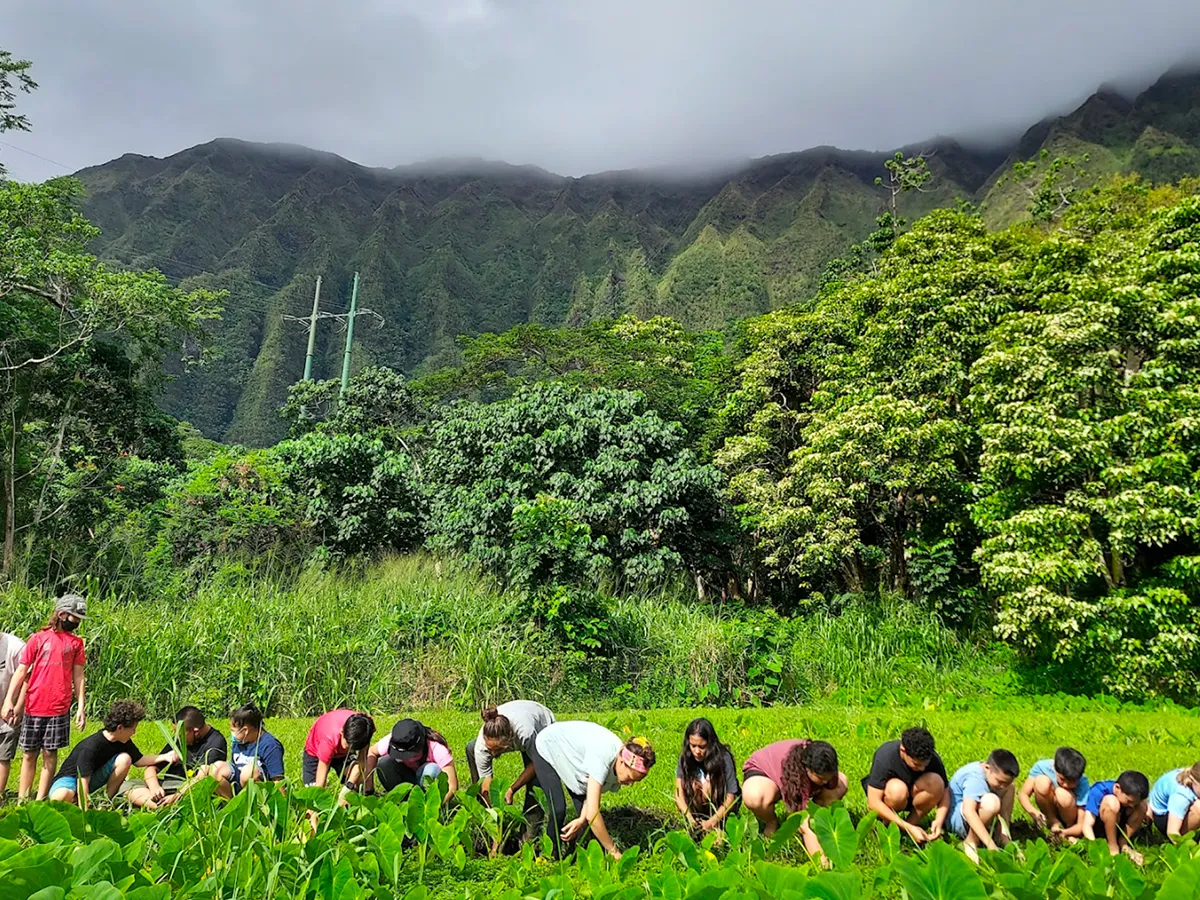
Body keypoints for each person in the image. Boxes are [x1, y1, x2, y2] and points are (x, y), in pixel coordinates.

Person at [1, 594, 88, 801]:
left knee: (50, 754)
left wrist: (81, 707)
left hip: (59, 707)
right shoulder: (38, 639)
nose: (76, 622)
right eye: (74, 618)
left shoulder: (76, 644)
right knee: (29, 754)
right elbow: (21, 672)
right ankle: (23, 798)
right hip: (34, 705)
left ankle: (40, 798)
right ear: (61, 614)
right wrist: (9, 701)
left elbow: (79, 675)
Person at [530, 721, 655, 860]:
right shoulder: (603, 756)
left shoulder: (618, 768)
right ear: (621, 762)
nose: (630, 783)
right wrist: (613, 851)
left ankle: (572, 860)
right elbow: (593, 813)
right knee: (558, 809)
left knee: (584, 826)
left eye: (635, 781)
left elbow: (590, 803)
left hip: (575, 763)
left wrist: (582, 819)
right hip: (549, 745)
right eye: (630, 778)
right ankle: (550, 858)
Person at [47, 700, 176, 810]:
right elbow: (82, 782)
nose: (134, 732)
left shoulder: (123, 741)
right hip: (71, 779)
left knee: (125, 759)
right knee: (62, 796)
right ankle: (77, 804)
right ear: (120, 728)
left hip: (93, 778)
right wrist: (85, 813)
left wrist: (165, 756)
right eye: (132, 729)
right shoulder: (91, 747)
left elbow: (139, 760)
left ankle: (106, 801)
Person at [742, 738, 846, 861]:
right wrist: (822, 862)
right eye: (821, 778)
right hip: (765, 775)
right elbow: (803, 823)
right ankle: (771, 821)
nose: (826, 782)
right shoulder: (796, 777)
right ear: (808, 769)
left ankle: (819, 818)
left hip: (796, 777)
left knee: (842, 783)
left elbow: (831, 781)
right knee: (755, 797)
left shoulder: (821, 759)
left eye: (828, 778)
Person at [125, 705, 227, 809]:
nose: (177, 736)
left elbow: (202, 777)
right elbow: (151, 768)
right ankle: (161, 806)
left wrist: (177, 796)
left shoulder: (216, 742)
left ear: (196, 732)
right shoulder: (178, 739)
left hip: (189, 788)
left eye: (181, 734)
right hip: (167, 785)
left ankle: (163, 807)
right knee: (127, 786)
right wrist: (154, 787)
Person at [466, 701, 554, 820]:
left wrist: (512, 789)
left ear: (509, 739)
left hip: (541, 724)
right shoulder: (481, 746)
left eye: (497, 749)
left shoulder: (525, 733)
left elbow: (536, 763)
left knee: (536, 780)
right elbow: (486, 784)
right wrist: (495, 814)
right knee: (470, 748)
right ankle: (482, 816)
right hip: (518, 717)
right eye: (489, 749)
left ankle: (530, 831)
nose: (492, 753)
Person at [863, 727, 949, 844]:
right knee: (897, 790)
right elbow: (873, 802)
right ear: (903, 750)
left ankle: (911, 825)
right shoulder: (885, 757)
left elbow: (945, 792)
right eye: (916, 764)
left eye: (925, 764)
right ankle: (887, 825)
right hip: (893, 796)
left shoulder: (932, 758)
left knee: (936, 782)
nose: (922, 768)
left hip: (916, 794)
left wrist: (939, 820)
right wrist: (907, 827)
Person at [948, 749, 1019, 864]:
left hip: (976, 814)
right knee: (992, 803)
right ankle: (971, 841)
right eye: (999, 781)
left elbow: (1005, 786)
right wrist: (990, 844)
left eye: (1006, 782)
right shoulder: (975, 778)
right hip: (958, 820)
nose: (1002, 786)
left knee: (1010, 788)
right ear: (987, 768)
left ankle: (1002, 835)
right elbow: (968, 811)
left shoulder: (995, 778)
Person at [366, 718, 459, 804]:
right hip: (406, 780)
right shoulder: (397, 741)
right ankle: (402, 800)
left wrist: (435, 807)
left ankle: (425, 799)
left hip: (426, 785)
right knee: (384, 763)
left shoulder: (436, 748)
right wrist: (369, 789)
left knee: (431, 770)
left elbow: (452, 786)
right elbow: (372, 752)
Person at [675, 718, 741, 834]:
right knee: (694, 784)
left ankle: (719, 825)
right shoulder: (685, 758)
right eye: (693, 746)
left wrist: (713, 821)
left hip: (720, 807)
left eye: (702, 747)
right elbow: (678, 793)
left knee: (709, 787)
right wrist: (689, 818)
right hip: (695, 808)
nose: (696, 751)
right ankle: (698, 819)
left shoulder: (724, 758)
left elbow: (731, 796)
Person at [210, 703, 285, 797]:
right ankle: (231, 804)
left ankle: (254, 806)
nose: (232, 734)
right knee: (216, 768)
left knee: (249, 772)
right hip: (239, 783)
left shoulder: (270, 746)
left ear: (245, 731)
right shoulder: (240, 741)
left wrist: (284, 804)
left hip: (261, 790)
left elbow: (277, 779)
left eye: (233, 730)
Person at [302, 708, 375, 800]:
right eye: (347, 745)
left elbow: (361, 761)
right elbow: (320, 781)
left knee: (358, 782)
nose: (349, 749)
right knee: (312, 795)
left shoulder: (366, 728)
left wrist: (349, 787)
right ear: (341, 731)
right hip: (315, 752)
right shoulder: (328, 739)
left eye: (353, 748)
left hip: (342, 755)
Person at [1017, 747, 1089, 839]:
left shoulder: (1083, 782)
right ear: (1054, 767)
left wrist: (1065, 832)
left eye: (1072, 781)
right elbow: (1023, 794)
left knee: (1062, 793)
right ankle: (1052, 821)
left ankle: (1068, 828)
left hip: (1070, 814)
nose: (1066, 785)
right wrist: (1033, 812)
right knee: (1041, 781)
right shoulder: (1041, 767)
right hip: (1051, 807)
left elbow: (1081, 824)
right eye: (1062, 779)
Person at [1082, 770, 1149, 864]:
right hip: (1101, 826)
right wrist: (1094, 846)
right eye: (1129, 801)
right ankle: (1112, 845)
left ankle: (1123, 842)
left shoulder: (1130, 800)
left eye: (1134, 803)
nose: (1132, 806)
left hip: (1120, 823)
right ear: (1117, 788)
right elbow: (1087, 825)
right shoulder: (1098, 791)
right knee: (1112, 802)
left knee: (1142, 806)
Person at [0, 630, 26, 801]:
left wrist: (19, 706)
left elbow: (27, 677)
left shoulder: (16, 646)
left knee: (2, 755)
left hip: (6, 713)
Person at [1149, 762, 1200, 839]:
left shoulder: (1191, 777)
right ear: (1193, 780)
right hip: (1165, 817)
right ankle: (1183, 836)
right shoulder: (1181, 795)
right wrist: (1186, 849)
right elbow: (1172, 831)